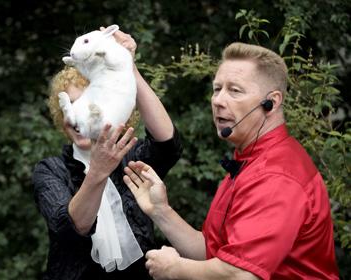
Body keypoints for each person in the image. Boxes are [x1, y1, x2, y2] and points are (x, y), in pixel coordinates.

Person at [123, 42, 339, 279]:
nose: (218, 100)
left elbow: (241, 274)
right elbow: (211, 252)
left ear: (272, 103)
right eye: (217, 89)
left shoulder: (276, 176)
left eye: (235, 90)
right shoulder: (249, 159)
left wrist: (175, 269)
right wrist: (161, 211)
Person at [32, 29, 182, 280]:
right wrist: (98, 172)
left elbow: (168, 145)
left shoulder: (130, 157)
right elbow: (71, 226)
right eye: (71, 105)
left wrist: (129, 67)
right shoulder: (50, 170)